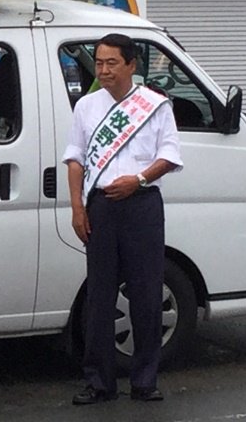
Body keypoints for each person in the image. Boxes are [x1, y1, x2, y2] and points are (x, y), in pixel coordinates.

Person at [62, 33, 183, 405]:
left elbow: (170, 155)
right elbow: (75, 159)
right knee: (99, 295)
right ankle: (99, 382)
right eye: (99, 62)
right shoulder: (86, 106)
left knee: (146, 293)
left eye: (112, 63)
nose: (104, 70)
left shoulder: (154, 105)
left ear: (132, 65)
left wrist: (139, 179)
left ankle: (145, 380)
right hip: (99, 206)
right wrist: (77, 208)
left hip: (142, 204)